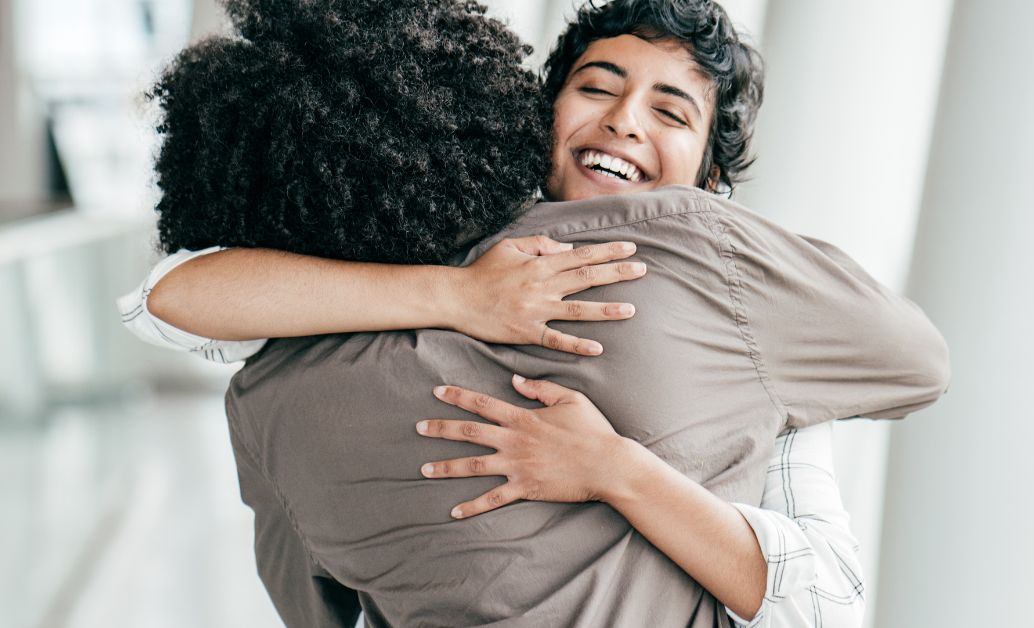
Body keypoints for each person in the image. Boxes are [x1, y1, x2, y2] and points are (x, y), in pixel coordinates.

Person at [121, 0, 949, 625]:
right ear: (537, 117)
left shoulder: (725, 287)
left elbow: (822, 603)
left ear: (708, 177)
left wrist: (612, 468)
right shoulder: (430, 246)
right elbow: (174, 299)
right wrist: (461, 296)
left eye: (670, 111)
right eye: (598, 88)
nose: (623, 121)